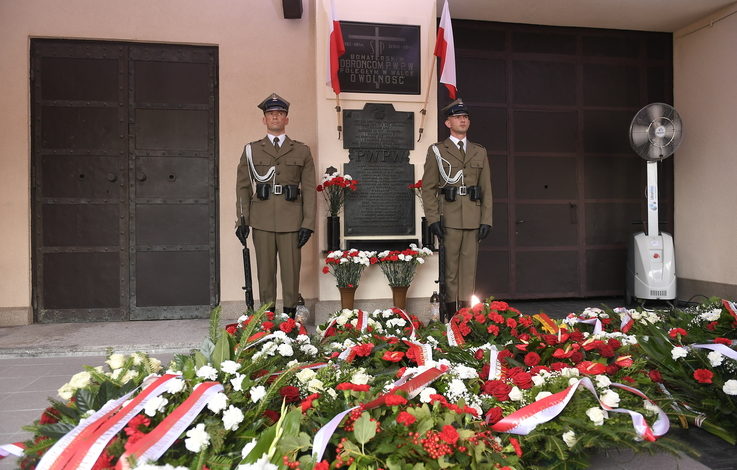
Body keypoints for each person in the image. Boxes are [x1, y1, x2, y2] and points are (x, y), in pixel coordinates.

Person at [235, 93, 316, 317]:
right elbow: (243, 187)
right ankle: (267, 319)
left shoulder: (301, 150)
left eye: (279, 114)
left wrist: (308, 223)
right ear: (264, 119)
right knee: (265, 273)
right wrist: (243, 220)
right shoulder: (251, 149)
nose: (275, 117)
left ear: (286, 119)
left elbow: (309, 189)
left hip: (292, 219)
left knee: (291, 274)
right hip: (261, 219)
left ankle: (290, 320)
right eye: (271, 114)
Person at [421, 98, 492, 316]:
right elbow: (429, 187)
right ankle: (450, 316)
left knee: (469, 272)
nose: (463, 120)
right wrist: (433, 219)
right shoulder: (437, 151)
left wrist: (486, 219)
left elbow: (486, 188)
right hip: (449, 218)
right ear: (448, 123)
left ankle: (466, 316)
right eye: (457, 117)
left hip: (472, 217)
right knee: (450, 271)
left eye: (465, 117)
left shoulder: (479, 151)